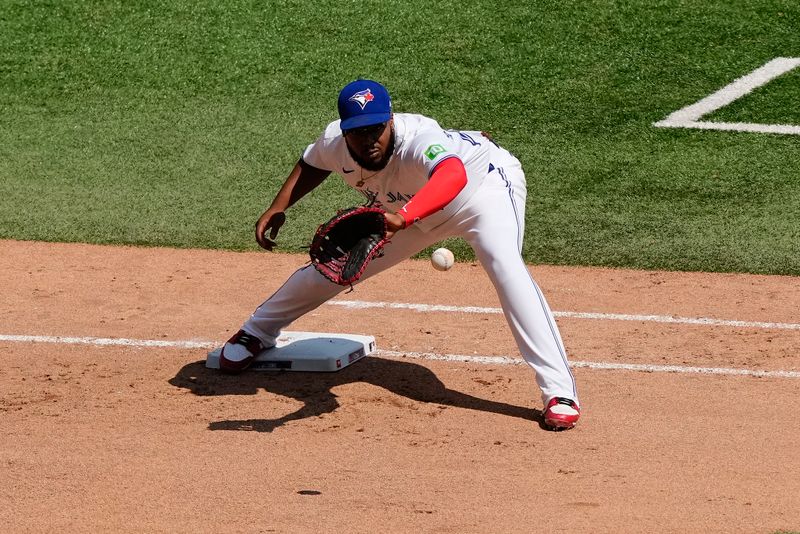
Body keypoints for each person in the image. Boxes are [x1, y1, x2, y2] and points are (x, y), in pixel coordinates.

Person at [219, 79, 580, 430]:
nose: (369, 140)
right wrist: (279, 206)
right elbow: (311, 162)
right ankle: (257, 331)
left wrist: (404, 217)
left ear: (390, 121)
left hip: (481, 192)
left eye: (376, 129)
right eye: (358, 132)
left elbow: (451, 175)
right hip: (403, 211)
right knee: (336, 267)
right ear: (345, 132)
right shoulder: (334, 143)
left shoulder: (420, 138)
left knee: (507, 269)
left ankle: (559, 393)